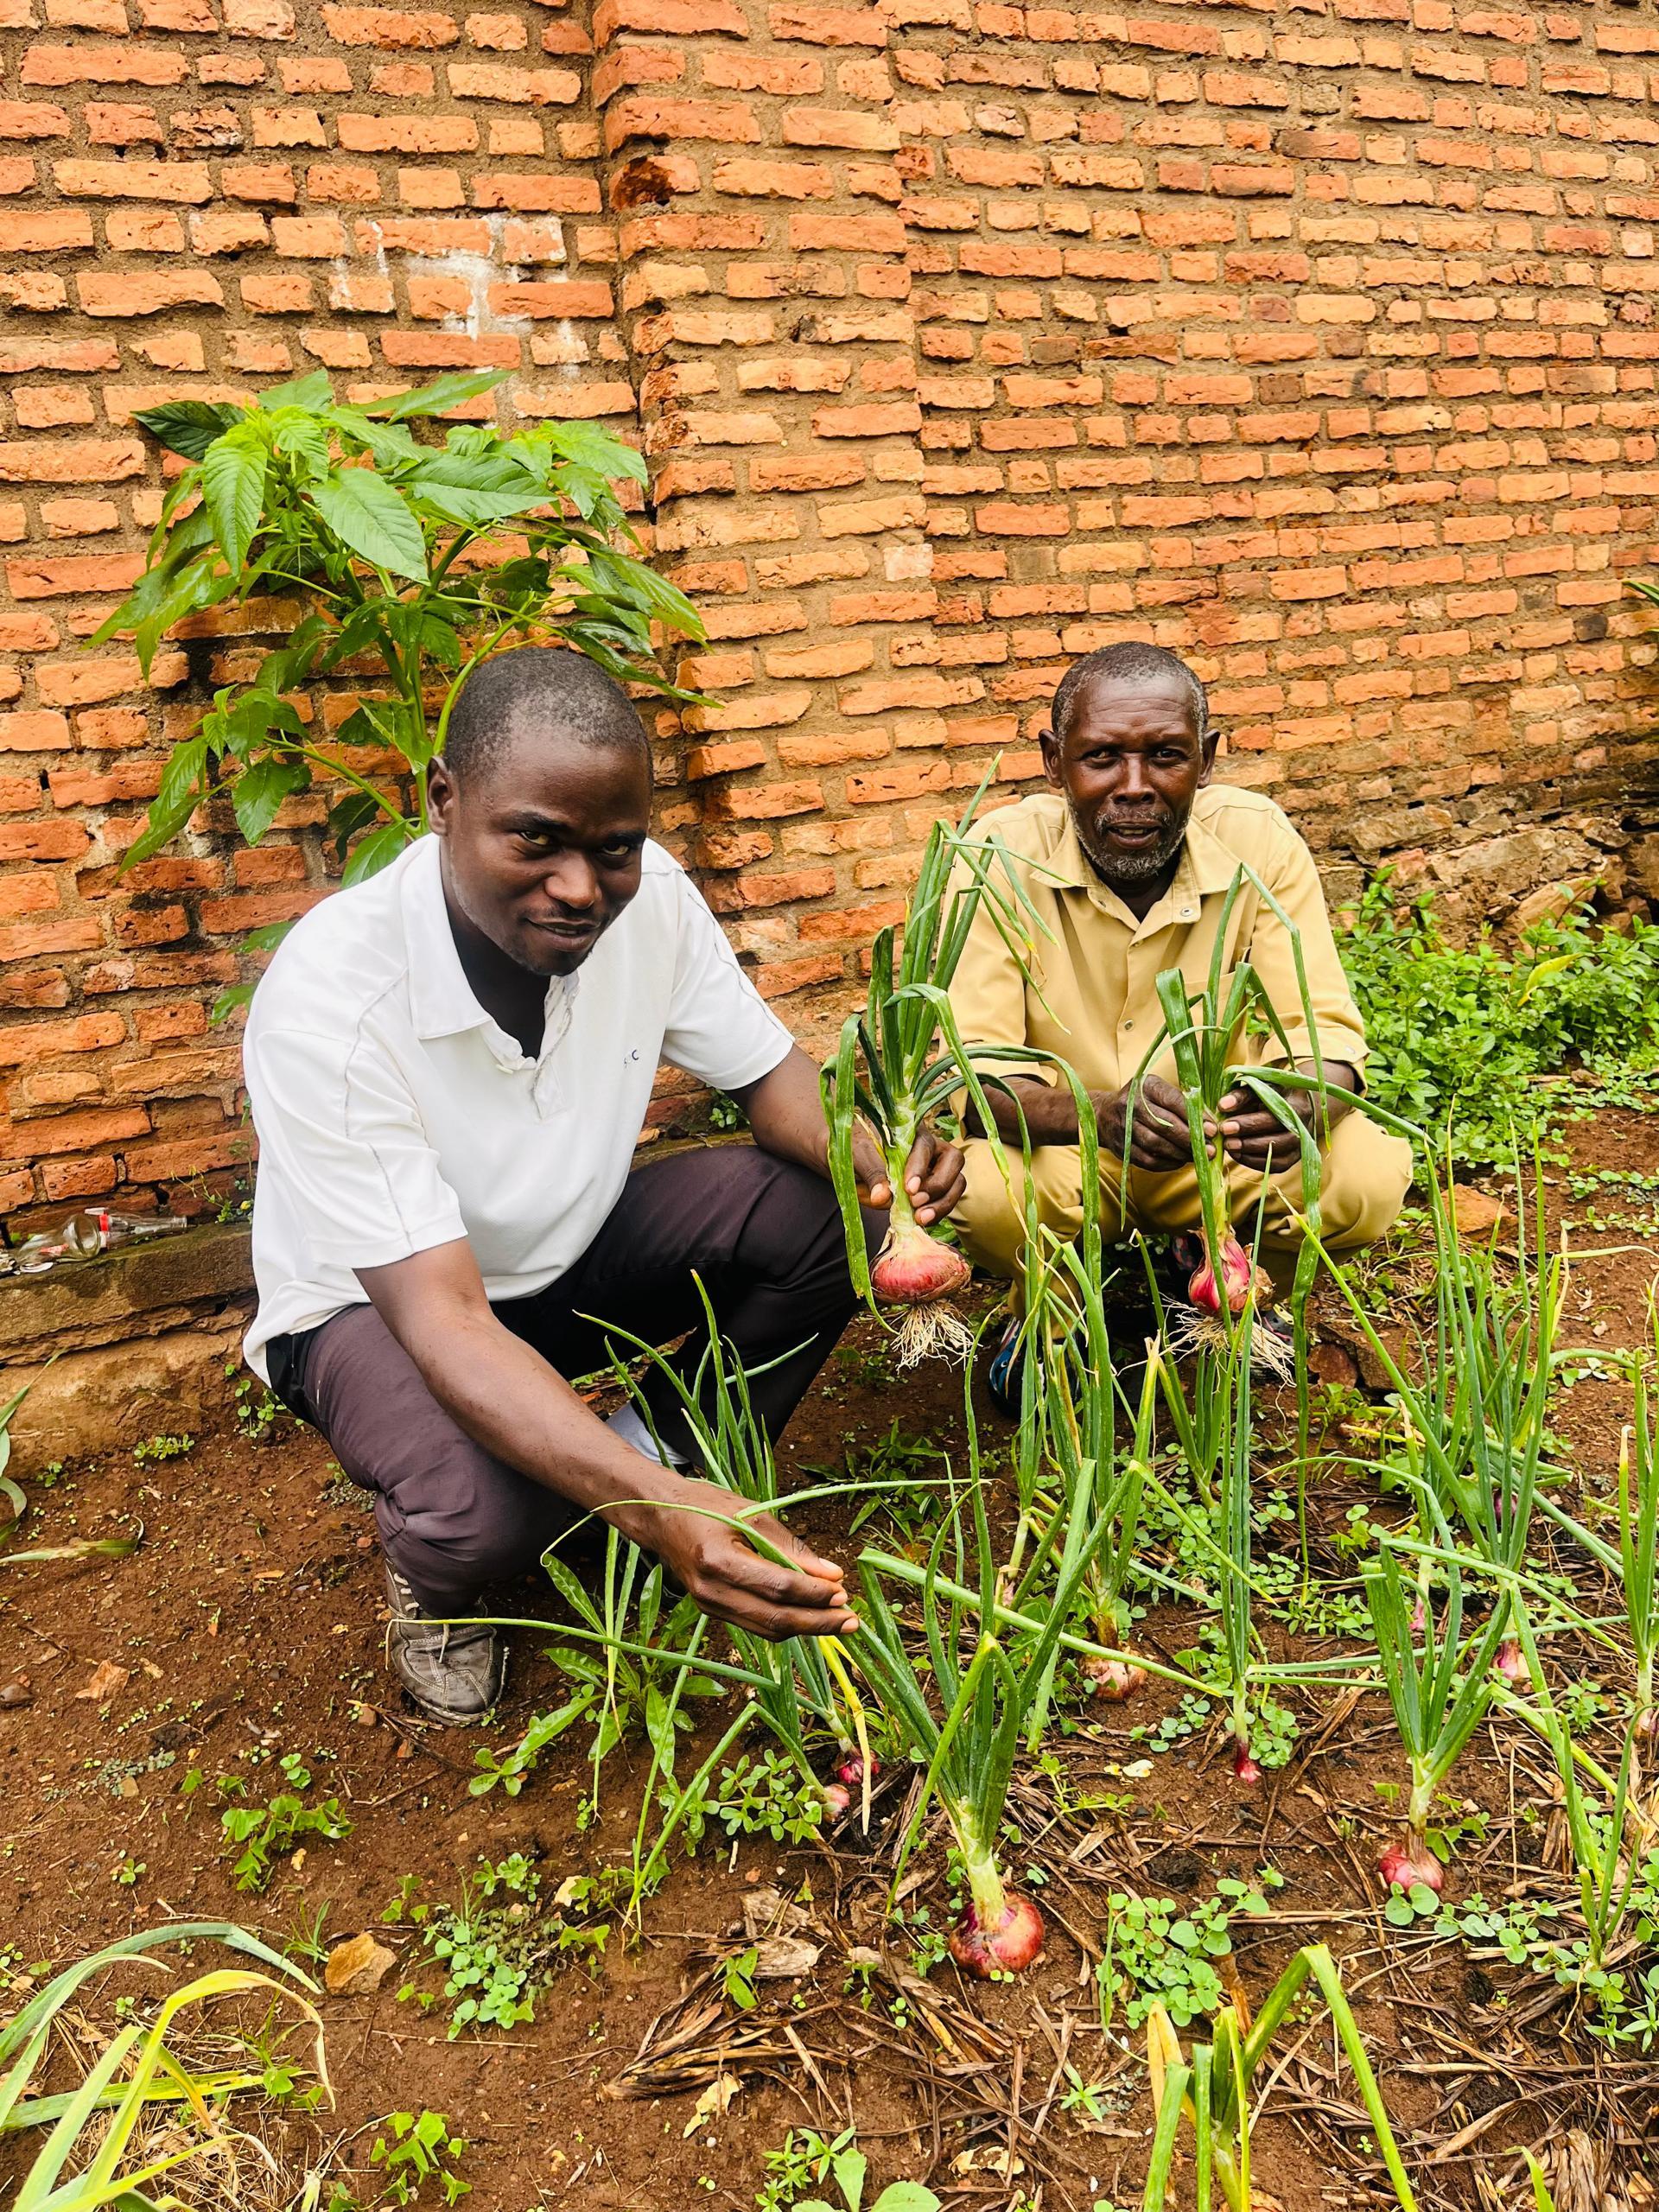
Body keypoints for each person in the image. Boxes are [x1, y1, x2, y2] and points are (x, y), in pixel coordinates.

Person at [241, 646, 964, 1724]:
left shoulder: (651, 903)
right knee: (482, 1513)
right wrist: (657, 1511)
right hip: (379, 1308)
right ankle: (449, 1578)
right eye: (534, 838)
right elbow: (443, 1322)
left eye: (615, 847)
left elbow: (771, 1083)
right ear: (442, 798)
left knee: (827, 1223)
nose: (581, 888)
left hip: (566, 1254)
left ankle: (663, 1459)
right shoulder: (333, 1002)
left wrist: (883, 1170)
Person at [944, 639, 1412, 1360]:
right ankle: (1049, 1312)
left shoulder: (1257, 840)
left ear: (1208, 756)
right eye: (1101, 757)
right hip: (1073, 1151)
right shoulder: (999, 856)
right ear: (1052, 759)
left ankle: (1229, 1282)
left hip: (1220, 1151)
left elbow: (1323, 1035)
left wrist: (1307, 1101)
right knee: (985, 1190)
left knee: (1365, 1177)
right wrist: (1099, 1114)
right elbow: (974, 1079)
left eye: (1167, 755)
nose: (1135, 785)